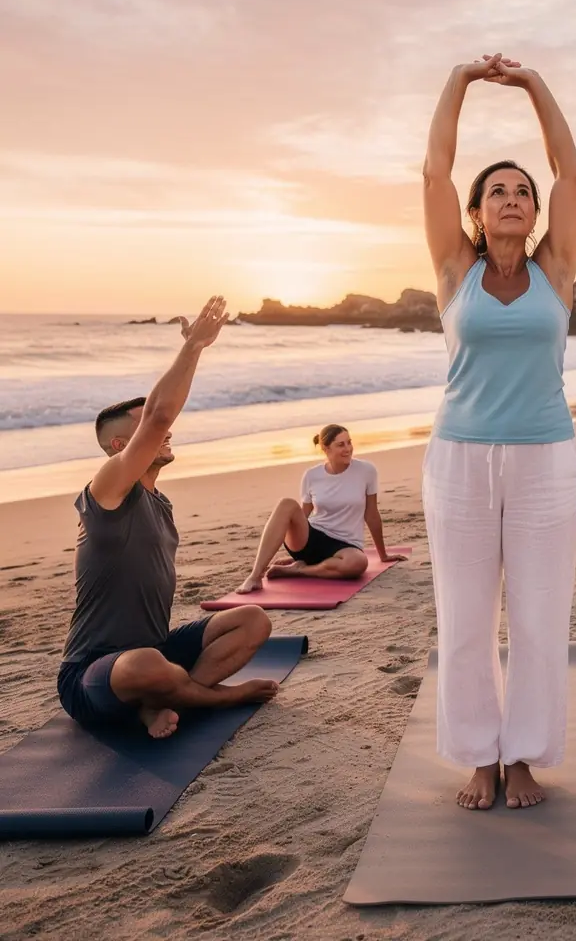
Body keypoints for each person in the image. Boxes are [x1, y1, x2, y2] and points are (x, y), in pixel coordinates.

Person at [421, 53, 576, 811]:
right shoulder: (457, 270)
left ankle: (522, 756)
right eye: (498, 192)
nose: (514, 199)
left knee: (541, 612)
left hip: (546, 458)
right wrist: (460, 79)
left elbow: (572, 172)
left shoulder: (557, 267)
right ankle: (478, 757)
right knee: (463, 614)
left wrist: (529, 85)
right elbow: (433, 172)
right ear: (477, 214)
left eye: (523, 191)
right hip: (458, 459)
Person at [58, 297, 279, 740]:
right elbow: (160, 414)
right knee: (145, 664)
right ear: (121, 447)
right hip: (93, 671)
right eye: (145, 431)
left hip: (154, 651)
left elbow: (159, 416)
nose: (165, 432)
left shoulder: (161, 503)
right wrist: (194, 347)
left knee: (253, 619)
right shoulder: (106, 489)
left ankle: (163, 699)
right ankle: (217, 697)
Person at [237, 425, 406, 593]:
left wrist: (383, 555)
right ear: (326, 448)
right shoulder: (312, 475)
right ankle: (255, 576)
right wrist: (292, 538)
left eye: (349, 442)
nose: (348, 449)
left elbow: (371, 515)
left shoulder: (366, 471)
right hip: (311, 538)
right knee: (286, 503)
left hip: (346, 545)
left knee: (358, 563)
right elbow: (303, 515)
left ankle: (298, 571)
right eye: (340, 445)